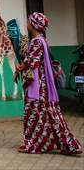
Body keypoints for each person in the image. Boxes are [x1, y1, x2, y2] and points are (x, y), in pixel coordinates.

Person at [15, 13, 81, 155]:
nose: (27, 23)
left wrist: (20, 67)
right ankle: (56, 144)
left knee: (35, 114)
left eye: (29, 21)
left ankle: (36, 145)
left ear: (33, 25)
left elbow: (32, 62)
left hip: (38, 88)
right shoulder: (42, 40)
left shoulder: (37, 42)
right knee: (46, 115)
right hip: (42, 87)